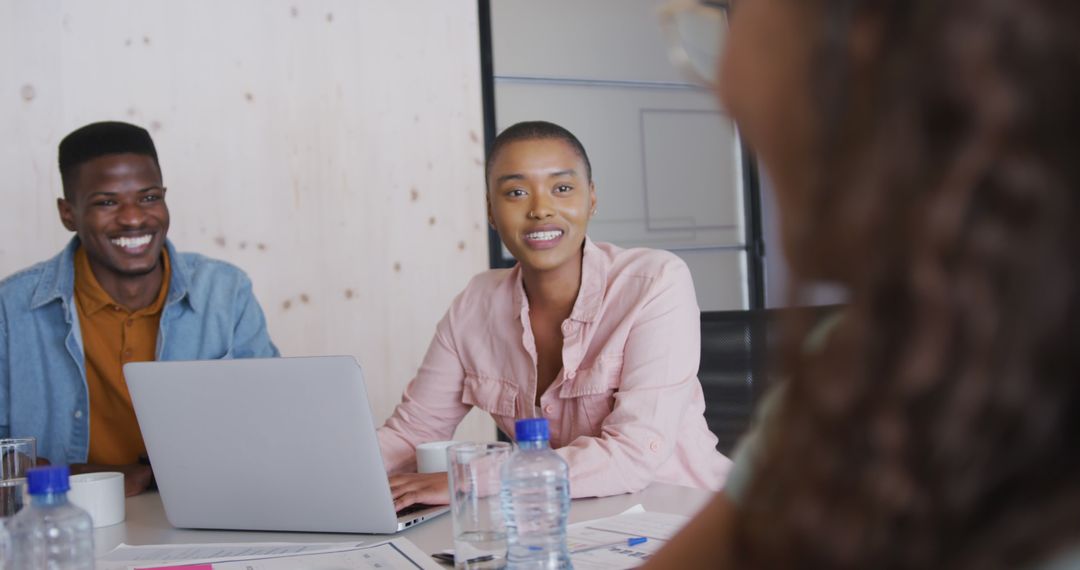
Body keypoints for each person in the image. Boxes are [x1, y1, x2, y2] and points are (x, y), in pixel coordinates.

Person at [644, 0, 1080, 568]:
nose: (724, 87)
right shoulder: (883, 362)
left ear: (862, 39)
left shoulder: (654, 280)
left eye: (732, 16)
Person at [379, 121, 732, 510]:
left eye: (562, 188)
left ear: (592, 198)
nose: (541, 209)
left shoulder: (655, 282)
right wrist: (325, 476)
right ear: (491, 212)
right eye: (515, 192)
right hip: (568, 529)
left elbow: (633, 455)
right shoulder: (474, 305)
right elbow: (413, 433)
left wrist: (470, 479)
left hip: (689, 521)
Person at [0, 121, 279, 496]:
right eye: (107, 202)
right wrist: (92, 474)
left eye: (149, 198)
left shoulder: (226, 292)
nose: (133, 218)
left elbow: (272, 426)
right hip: (63, 518)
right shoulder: (12, 306)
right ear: (68, 213)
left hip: (202, 512)